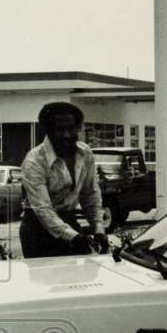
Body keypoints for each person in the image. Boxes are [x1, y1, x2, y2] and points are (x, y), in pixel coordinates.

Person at [20, 102, 108, 258]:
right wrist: (74, 237)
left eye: (71, 128)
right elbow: (43, 209)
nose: (67, 135)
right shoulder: (34, 161)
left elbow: (90, 194)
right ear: (48, 130)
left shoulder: (85, 153)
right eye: (60, 129)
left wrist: (99, 229)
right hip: (38, 231)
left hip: (69, 221)